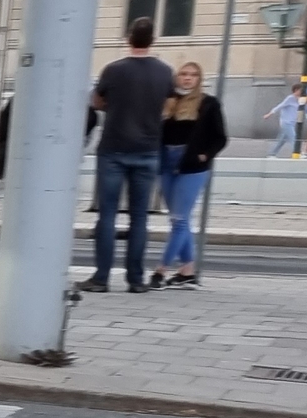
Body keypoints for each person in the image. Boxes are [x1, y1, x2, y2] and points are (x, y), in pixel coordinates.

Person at [86, 16, 176, 294]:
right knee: (139, 218)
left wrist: (113, 106)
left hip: (113, 148)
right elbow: (169, 107)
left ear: (128, 38)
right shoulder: (165, 71)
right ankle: (135, 280)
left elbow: (97, 101)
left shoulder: (113, 70)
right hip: (148, 150)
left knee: (108, 215)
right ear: (153, 41)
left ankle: (101, 278)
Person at [153, 61, 226, 289]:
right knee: (177, 219)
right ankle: (187, 271)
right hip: (167, 162)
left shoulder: (208, 103)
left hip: (192, 165)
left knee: (179, 219)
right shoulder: (168, 103)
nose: (187, 78)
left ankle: (161, 271)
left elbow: (221, 137)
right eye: (183, 74)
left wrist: (204, 156)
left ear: (199, 79)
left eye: (193, 75)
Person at [265, 83, 306, 158]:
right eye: (301, 90)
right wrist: (270, 114)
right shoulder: (290, 98)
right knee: (293, 137)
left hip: (292, 122)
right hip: (286, 122)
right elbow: (280, 106)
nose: (302, 92)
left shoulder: (300, 100)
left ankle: (271, 154)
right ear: (296, 90)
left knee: (281, 140)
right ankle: (297, 153)